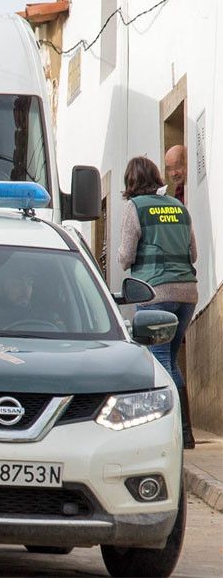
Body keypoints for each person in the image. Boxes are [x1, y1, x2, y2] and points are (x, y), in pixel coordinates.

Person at [118, 155, 198, 448]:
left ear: (130, 182)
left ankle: (174, 432)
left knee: (161, 361)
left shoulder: (134, 208)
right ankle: (186, 433)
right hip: (187, 293)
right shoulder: (178, 206)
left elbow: (126, 257)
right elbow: (194, 254)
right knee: (170, 359)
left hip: (155, 293)